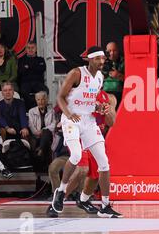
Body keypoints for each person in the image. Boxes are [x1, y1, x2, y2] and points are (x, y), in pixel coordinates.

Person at [49, 46, 122, 218]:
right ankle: (60, 191)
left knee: (104, 162)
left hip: (88, 120)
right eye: (98, 59)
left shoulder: (100, 77)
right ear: (89, 59)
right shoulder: (76, 73)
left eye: (103, 59)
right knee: (75, 155)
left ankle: (105, 206)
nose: (102, 62)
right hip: (71, 119)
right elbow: (60, 97)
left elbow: (90, 101)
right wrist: (68, 114)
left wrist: (100, 107)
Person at [18, 41, 47, 110]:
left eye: (32, 48)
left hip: (38, 82)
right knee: (24, 92)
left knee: (45, 91)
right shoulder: (21, 60)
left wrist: (28, 67)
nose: (30, 50)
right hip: (26, 83)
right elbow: (20, 72)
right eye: (28, 48)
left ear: (36, 49)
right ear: (26, 49)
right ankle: (31, 110)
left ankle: (39, 109)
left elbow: (41, 69)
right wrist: (34, 67)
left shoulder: (41, 59)